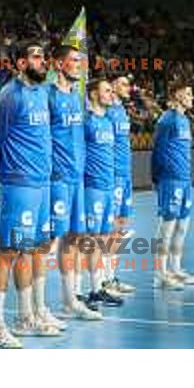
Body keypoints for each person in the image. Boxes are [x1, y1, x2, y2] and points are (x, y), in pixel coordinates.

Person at [0, 41, 63, 349]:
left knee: (36, 248)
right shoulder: (9, 96)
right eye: (35, 56)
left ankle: (29, 314)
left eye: (43, 56)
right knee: (9, 251)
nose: (42, 60)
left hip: (42, 183)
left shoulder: (42, 92)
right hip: (19, 183)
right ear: (20, 63)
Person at [48, 45, 101, 320]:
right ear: (59, 64)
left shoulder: (78, 98)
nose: (79, 66)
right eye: (74, 61)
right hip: (56, 178)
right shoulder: (49, 96)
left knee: (74, 238)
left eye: (81, 62)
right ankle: (36, 308)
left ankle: (71, 300)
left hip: (77, 178)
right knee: (48, 243)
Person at [151, 79, 194, 289]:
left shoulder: (185, 121)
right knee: (167, 226)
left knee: (182, 226)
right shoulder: (166, 120)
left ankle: (175, 268)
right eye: (188, 94)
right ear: (177, 95)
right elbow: (157, 151)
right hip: (170, 179)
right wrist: (157, 178)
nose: (191, 97)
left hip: (184, 178)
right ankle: (159, 273)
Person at [83, 78, 123, 307]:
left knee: (103, 238)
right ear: (94, 94)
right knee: (90, 239)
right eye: (107, 91)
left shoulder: (107, 122)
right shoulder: (87, 123)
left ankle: (98, 287)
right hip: (93, 187)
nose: (111, 94)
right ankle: (84, 289)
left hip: (108, 187)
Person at [105, 74, 136, 294]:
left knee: (121, 224)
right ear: (113, 87)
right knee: (110, 226)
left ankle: (113, 276)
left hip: (125, 175)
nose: (129, 88)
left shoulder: (122, 110)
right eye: (124, 84)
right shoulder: (106, 111)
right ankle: (104, 279)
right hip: (113, 174)